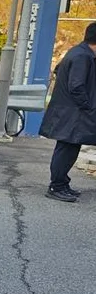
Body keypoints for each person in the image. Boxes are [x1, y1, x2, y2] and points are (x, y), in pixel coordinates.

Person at [40, 22, 96, 203]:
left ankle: (62, 183)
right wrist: (89, 106)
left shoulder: (79, 52)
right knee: (66, 150)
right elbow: (76, 86)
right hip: (73, 114)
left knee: (69, 149)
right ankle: (56, 186)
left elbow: (60, 71)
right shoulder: (82, 56)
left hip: (70, 112)